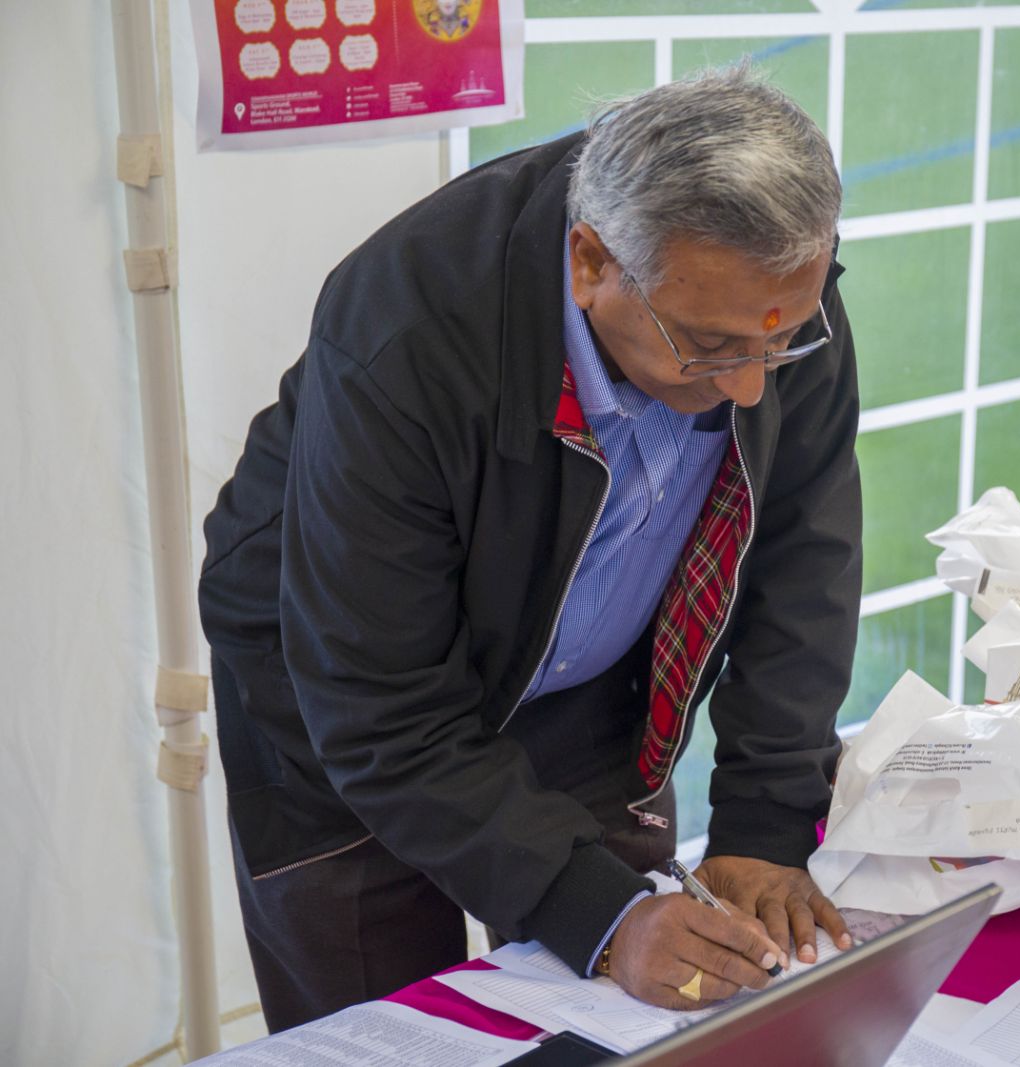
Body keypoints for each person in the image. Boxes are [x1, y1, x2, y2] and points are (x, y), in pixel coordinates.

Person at [199, 68, 862, 1032]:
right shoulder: (403, 330)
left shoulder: (769, 299)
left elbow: (805, 564)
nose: (756, 391)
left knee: (645, 1001)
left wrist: (764, 825)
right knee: (388, 1032)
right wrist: (601, 913)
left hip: (591, 677)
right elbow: (382, 711)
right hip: (339, 707)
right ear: (591, 262)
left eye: (782, 345)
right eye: (712, 349)